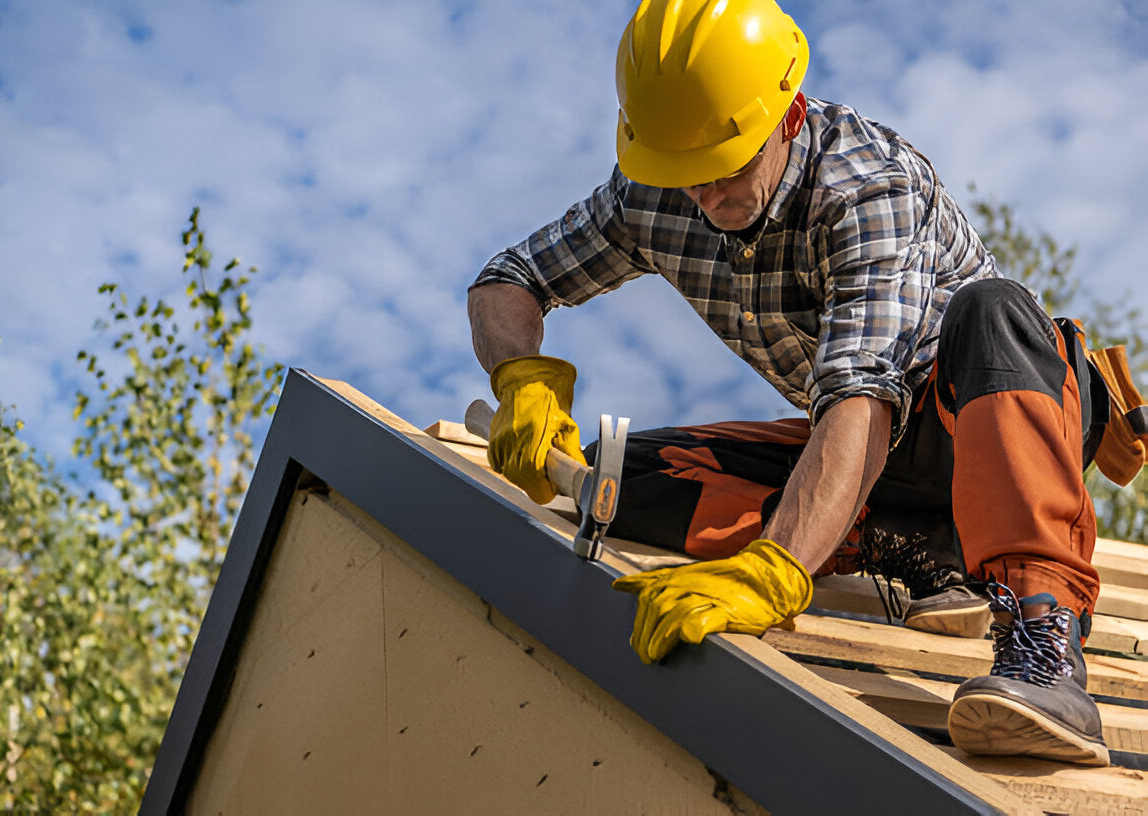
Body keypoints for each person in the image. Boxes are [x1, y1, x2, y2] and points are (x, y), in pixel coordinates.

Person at [467, 0, 1109, 766]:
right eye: (683, 172)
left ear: (790, 117)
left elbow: (861, 394)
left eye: (723, 166)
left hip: (985, 422)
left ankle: (1044, 643)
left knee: (996, 311)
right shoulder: (657, 190)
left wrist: (778, 571)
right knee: (619, 480)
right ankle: (911, 542)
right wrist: (523, 379)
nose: (703, 195)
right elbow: (508, 280)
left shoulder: (868, 190)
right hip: (871, 460)